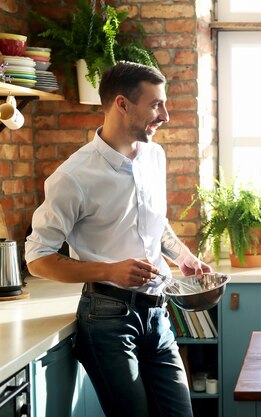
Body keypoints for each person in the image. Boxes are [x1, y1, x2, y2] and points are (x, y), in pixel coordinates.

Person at [25, 61, 211, 417]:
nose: (166, 116)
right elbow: (37, 256)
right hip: (107, 319)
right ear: (122, 104)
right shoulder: (73, 177)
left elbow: (156, 223)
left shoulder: (155, 155)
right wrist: (110, 270)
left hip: (158, 315)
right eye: (156, 104)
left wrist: (182, 256)